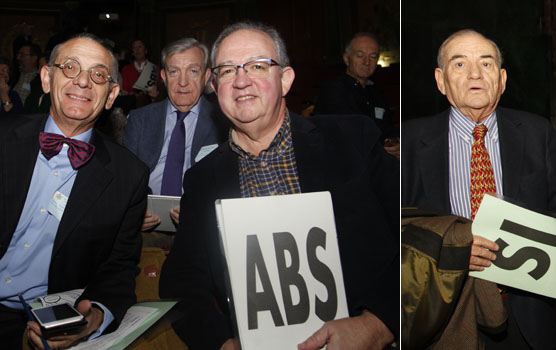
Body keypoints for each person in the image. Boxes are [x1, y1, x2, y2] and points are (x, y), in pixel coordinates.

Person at [158, 22, 398, 350]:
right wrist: (221, 342)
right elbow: (181, 280)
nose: (241, 81)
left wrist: (381, 324)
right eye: (227, 71)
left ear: (285, 79)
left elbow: (411, 232)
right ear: (214, 85)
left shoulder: (351, 139)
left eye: (257, 66)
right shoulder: (202, 179)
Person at [0, 33, 149, 350]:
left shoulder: (128, 175)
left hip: (46, 321)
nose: (83, 82)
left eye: (98, 75)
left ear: (112, 94)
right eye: (71, 67)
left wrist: (95, 317)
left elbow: (119, 268)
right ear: (47, 78)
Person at [401, 29, 556, 349]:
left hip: (524, 313)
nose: (474, 74)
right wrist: (451, 252)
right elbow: (398, 231)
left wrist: (532, 251)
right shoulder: (410, 142)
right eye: (459, 64)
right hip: (444, 313)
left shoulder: (538, 133)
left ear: (502, 78)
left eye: (486, 63)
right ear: (440, 80)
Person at [123, 37, 225, 231]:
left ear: (206, 77)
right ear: (164, 76)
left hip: (201, 227)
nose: (183, 82)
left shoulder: (224, 124)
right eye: (174, 71)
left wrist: (203, 212)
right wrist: (132, 212)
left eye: (193, 71)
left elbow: (230, 185)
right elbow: (124, 181)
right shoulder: (140, 119)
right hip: (144, 226)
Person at [313, 32, 398, 156]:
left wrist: (395, 143)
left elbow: (387, 128)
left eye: (373, 56)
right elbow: (347, 133)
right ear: (347, 59)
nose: (367, 62)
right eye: (360, 55)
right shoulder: (333, 90)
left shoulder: (376, 94)